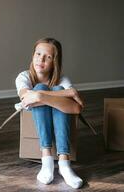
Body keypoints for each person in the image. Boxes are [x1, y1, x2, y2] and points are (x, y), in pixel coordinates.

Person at [15, 38, 84, 189]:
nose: (41, 59)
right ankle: (46, 162)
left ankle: (64, 164)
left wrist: (40, 97)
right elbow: (27, 99)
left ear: (55, 62)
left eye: (48, 57)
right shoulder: (24, 77)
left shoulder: (62, 79)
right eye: (38, 54)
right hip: (39, 106)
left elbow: (77, 109)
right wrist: (67, 93)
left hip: (54, 101)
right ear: (33, 55)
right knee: (43, 87)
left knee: (57, 89)